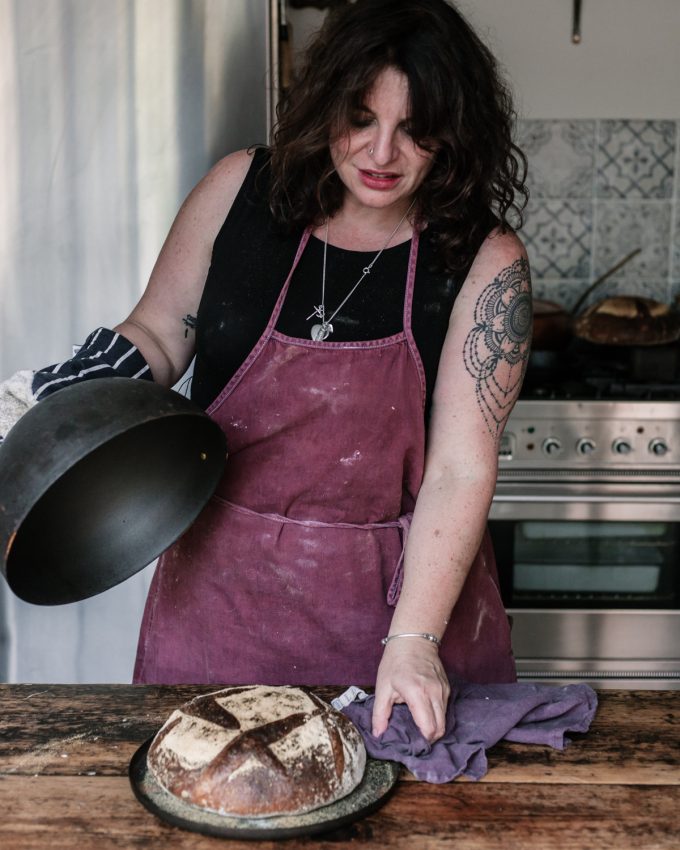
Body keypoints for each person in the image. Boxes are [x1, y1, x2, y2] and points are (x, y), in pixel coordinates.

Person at [0, 0, 531, 743]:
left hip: (393, 607)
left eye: (415, 129)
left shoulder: (482, 259)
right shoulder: (242, 192)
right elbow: (159, 332)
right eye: (360, 117)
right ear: (324, 104)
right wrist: (67, 390)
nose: (381, 153)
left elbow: (459, 470)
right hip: (222, 595)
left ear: (455, 132)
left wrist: (413, 642)